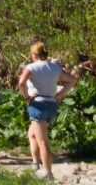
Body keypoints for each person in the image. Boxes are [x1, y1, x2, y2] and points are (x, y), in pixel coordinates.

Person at [20, 39, 72, 178]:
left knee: (43, 141)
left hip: (38, 104)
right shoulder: (55, 68)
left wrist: (26, 97)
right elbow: (72, 80)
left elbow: (21, 82)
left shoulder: (31, 67)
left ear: (34, 54)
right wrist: (60, 95)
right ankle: (35, 163)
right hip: (51, 104)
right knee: (32, 134)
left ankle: (47, 172)